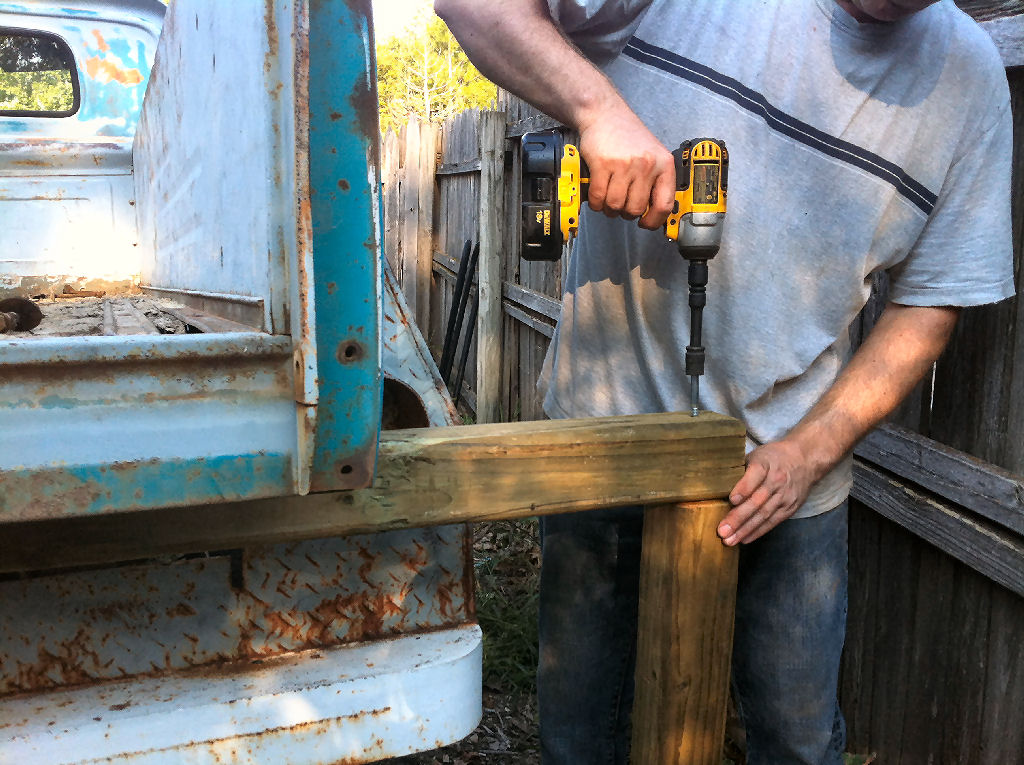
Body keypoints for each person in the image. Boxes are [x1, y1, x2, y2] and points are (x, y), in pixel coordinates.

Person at [433, 1, 1015, 763]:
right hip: (606, 441)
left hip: (788, 474)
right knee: (581, 733)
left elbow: (932, 302)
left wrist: (810, 450)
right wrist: (596, 107)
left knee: (798, 742)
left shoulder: (968, 79)